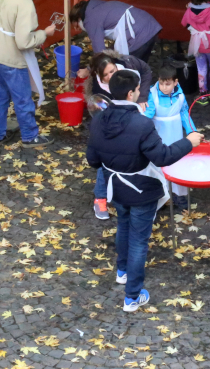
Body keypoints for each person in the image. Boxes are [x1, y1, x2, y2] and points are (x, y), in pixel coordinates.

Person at [86, 70, 203, 312]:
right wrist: (188, 142)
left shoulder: (99, 120)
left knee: (123, 226)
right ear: (130, 93)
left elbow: (93, 160)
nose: (141, 92)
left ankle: (122, 271)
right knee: (139, 240)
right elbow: (162, 157)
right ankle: (132, 296)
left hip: (115, 188)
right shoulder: (141, 123)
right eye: (139, 89)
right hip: (142, 190)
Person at [0, 0, 57, 148]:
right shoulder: (25, 3)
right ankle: (30, 136)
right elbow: (23, 42)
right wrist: (43, 34)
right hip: (10, 57)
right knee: (22, 99)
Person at [81, 51, 154, 220]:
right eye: (105, 75)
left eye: (112, 71)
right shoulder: (98, 90)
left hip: (133, 116)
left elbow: (146, 71)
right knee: (106, 160)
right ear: (98, 76)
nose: (109, 77)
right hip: (113, 124)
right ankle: (100, 198)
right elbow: (101, 112)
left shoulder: (129, 63)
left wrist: (142, 96)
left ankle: (135, 191)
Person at [142, 65, 197, 210]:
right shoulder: (152, 95)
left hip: (176, 135)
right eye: (161, 83)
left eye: (168, 84)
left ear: (175, 82)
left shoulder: (180, 95)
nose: (164, 87)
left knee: (178, 162)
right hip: (158, 135)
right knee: (157, 165)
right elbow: (148, 115)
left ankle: (179, 196)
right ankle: (159, 197)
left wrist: (192, 131)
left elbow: (185, 113)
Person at [68, 0, 162, 62]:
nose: (78, 29)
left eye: (76, 25)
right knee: (140, 64)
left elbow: (100, 52)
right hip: (150, 26)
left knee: (128, 67)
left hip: (138, 34)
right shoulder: (97, 6)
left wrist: (89, 69)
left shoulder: (90, 20)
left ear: (79, 18)